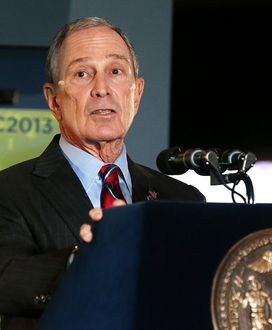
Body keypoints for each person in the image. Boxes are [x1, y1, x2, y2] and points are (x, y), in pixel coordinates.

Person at [0, 16, 205, 330]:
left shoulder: (182, 200)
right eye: (82, 73)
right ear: (53, 100)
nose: (102, 89)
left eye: (116, 72)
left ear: (136, 93)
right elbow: (7, 278)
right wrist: (87, 257)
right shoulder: (10, 191)